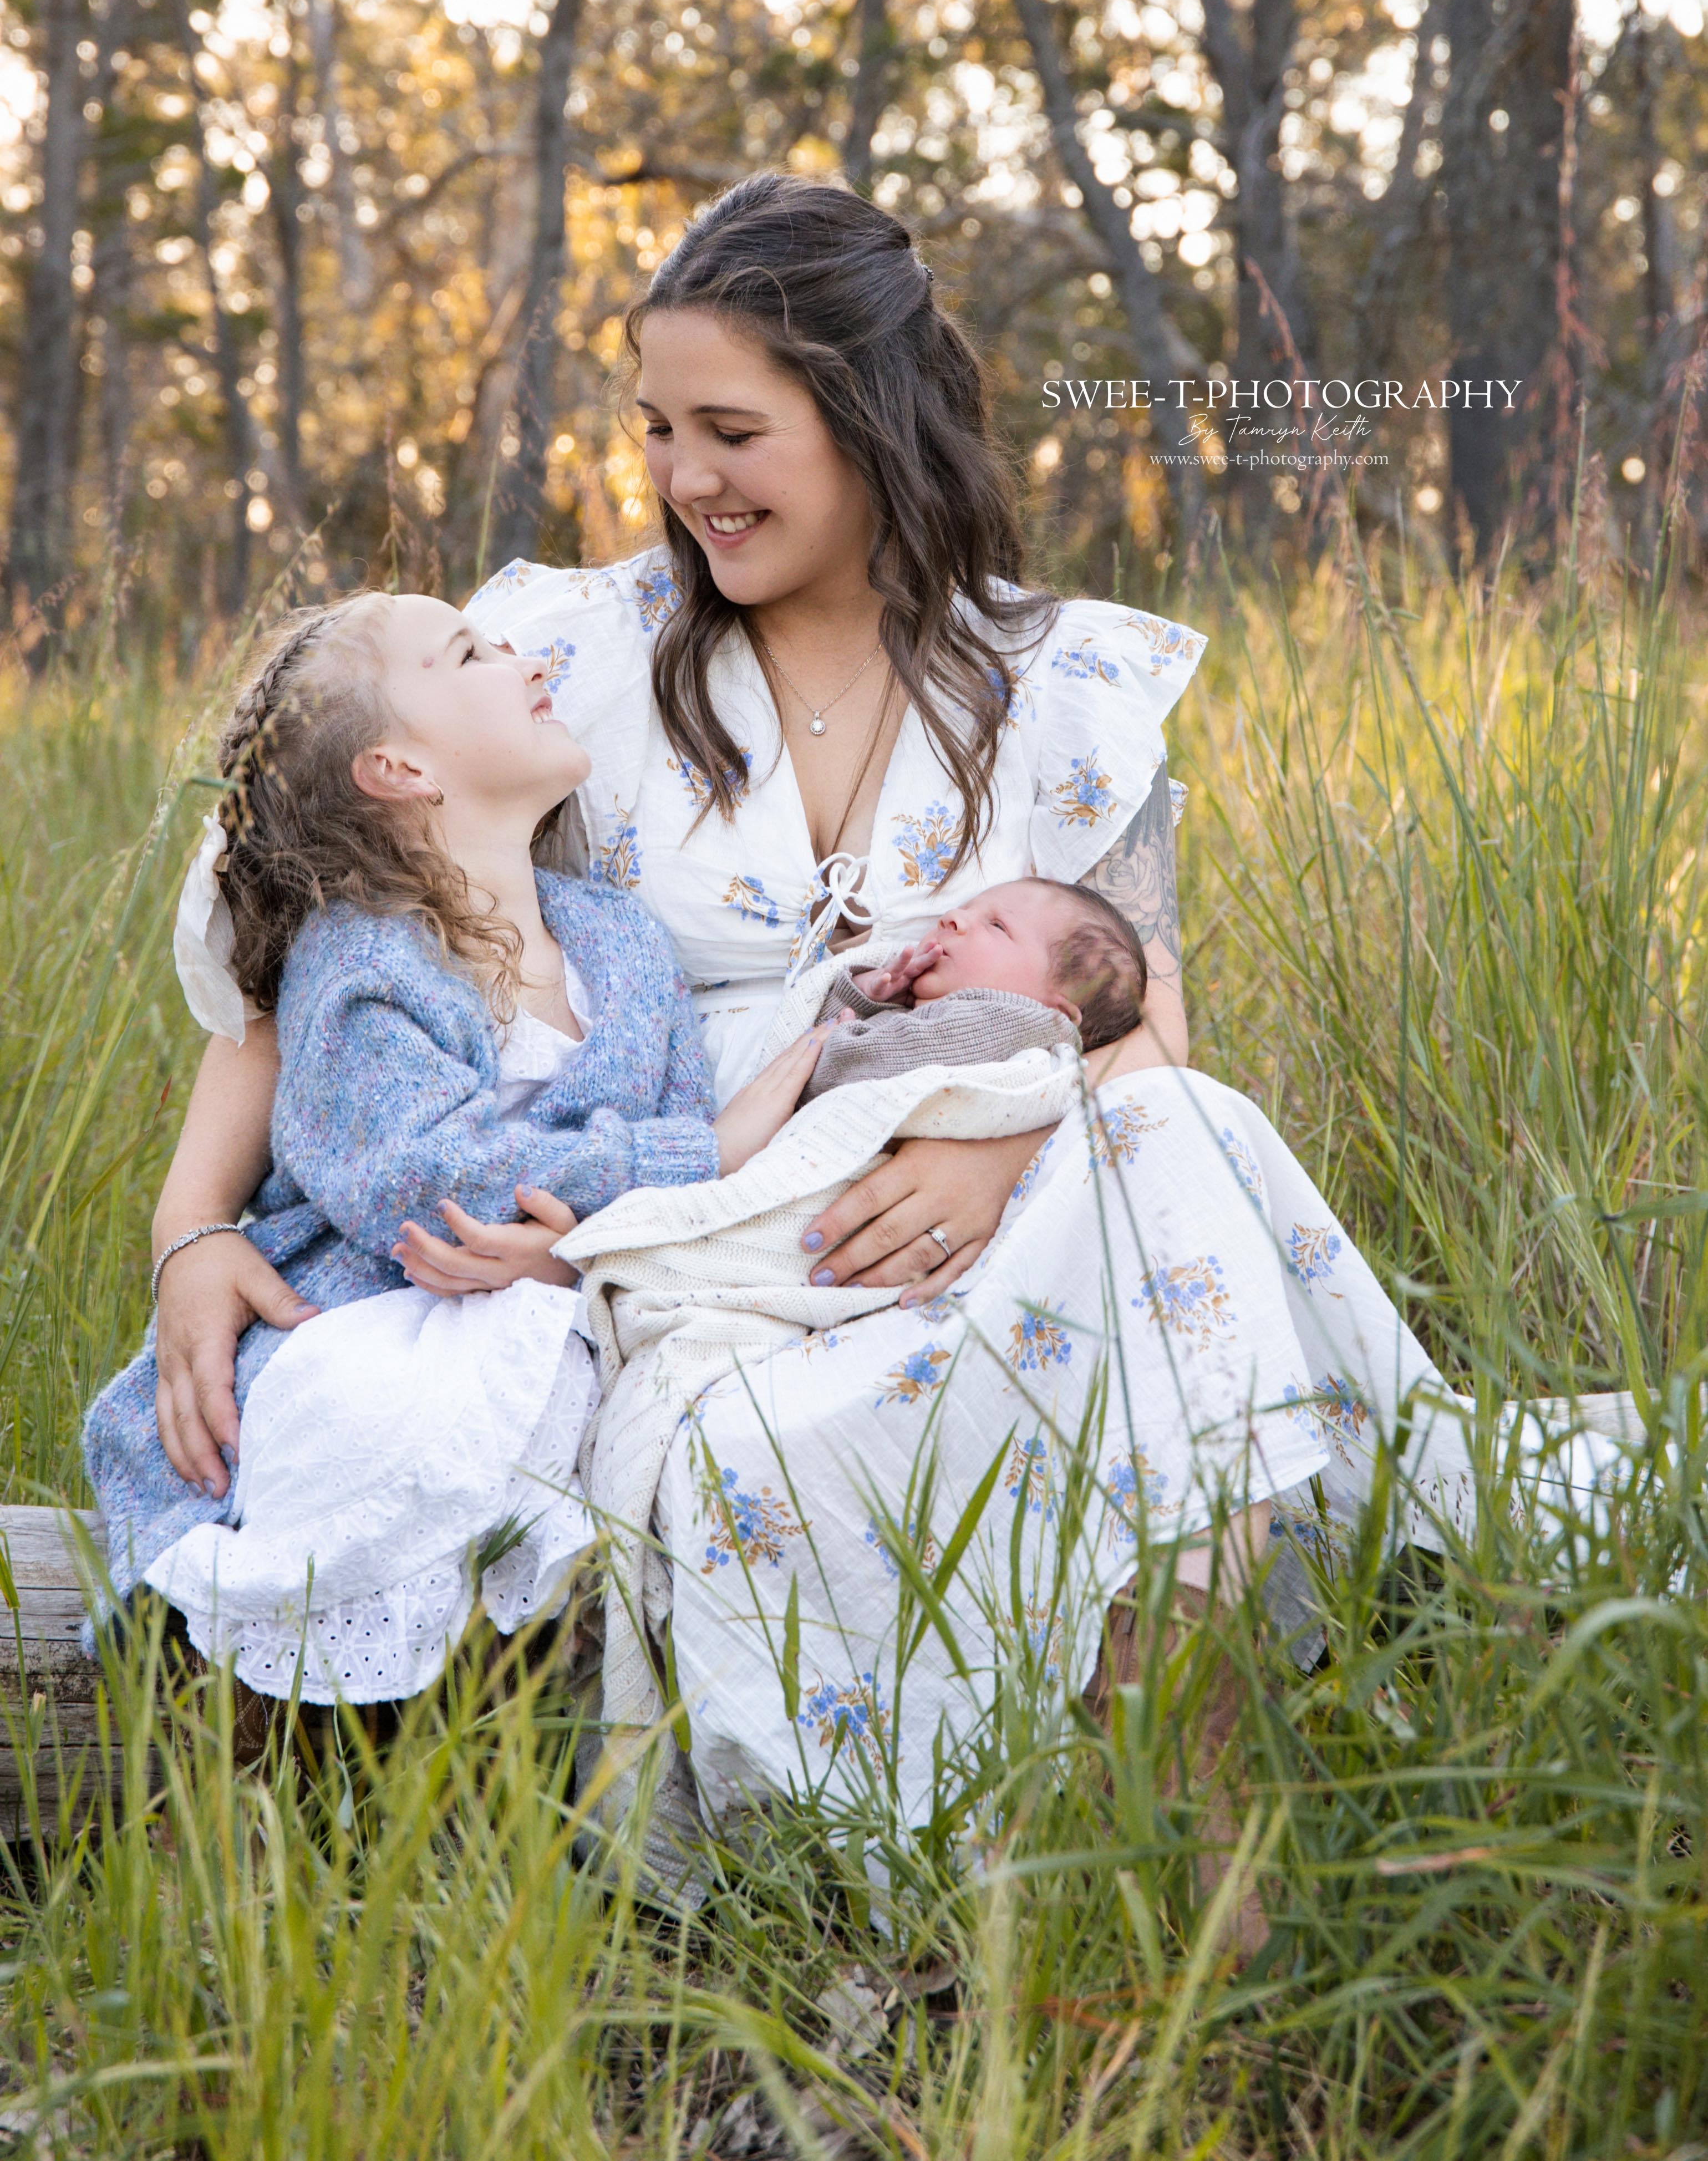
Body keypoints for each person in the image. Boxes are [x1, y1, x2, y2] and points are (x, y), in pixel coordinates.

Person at [140, 176, 1398, 1827]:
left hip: (959, 1234)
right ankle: (910, 1855)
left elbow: (1145, 1023)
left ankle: (1186, 1825)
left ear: (871, 422)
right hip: (647, 1250)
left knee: (1188, 1125)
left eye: (729, 430)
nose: (681, 479)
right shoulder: (563, 653)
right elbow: (291, 940)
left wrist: (990, 1154)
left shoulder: (1060, 689)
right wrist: (191, 1229)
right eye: (657, 428)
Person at [84, 588, 820, 1702]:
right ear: (400, 770)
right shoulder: (365, 957)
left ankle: (493, 1716)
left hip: (563, 1300)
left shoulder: (619, 941)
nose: (520, 654)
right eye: (471, 652)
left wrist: (593, 1236)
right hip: (383, 1305)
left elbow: (662, 1143)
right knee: (384, 1412)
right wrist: (697, 1153)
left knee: (607, 1422)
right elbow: (416, 1182)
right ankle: (262, 1691)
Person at [799, 878, 1146, 1097]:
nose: (953, 916)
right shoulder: (944, 1021)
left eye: (997, 926)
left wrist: (835, 1034)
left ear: (1055, 1014)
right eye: (967, 907)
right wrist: (865, 997)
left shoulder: (998, 1024)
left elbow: (828, 1075)